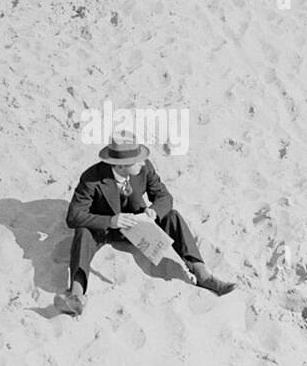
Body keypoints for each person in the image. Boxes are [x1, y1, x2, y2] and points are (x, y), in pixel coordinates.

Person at [59, 134, 237, 317]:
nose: (142, 163)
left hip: (139, 224)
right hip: (104, 228)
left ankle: (202, 274)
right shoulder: (92, 178)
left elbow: (164, 197)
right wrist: (110, 221)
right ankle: (76, 295)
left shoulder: (145, 167)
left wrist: (153, 211)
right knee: (82, 233)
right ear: (120, 165)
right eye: (137, 161)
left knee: (172, 216)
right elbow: (73, 216)